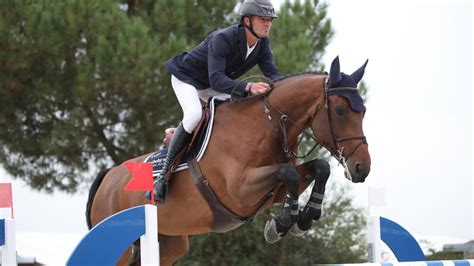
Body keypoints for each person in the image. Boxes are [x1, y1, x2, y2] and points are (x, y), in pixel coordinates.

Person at [154, 0, 281, 203]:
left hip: (213, 85)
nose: (267, 24)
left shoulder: (262, 44)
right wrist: (248, 87)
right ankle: (162, 177)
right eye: (263, 19)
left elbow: (274, 76)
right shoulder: (224, 38)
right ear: (247, 21)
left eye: (270, 20)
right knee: (194, 114)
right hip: (187, 78)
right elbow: (216, 79)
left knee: (241, 111)